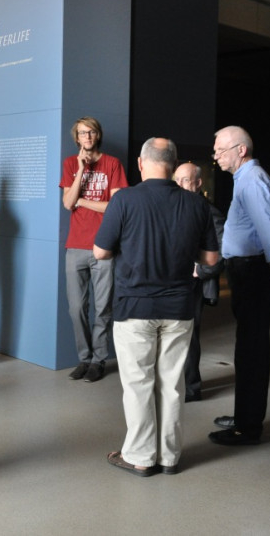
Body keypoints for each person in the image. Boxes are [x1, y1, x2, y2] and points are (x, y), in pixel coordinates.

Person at [94, 138, 218, 476]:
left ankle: (141, 457)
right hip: (179, 307)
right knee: (172, 385)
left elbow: (100, 252)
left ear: (140, 163)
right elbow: (210, 258)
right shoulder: (197, 204)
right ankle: (169, 457)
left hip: (134, 307)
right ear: (174, 164)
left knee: (138, 384)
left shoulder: (124, 200)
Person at [208, 126, 270, 446]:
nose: (216, 156)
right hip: (247, 270)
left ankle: (248, 427)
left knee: (252, 350)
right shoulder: (245, 179)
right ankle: (244, 415)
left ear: (241, 150)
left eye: (221, 150)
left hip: (252, 272)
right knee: (247, 347)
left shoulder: (253, 181)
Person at [60, 116, 129, 382]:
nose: (87, 137)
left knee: (102, 308)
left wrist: (82, 200)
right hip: (75, 246)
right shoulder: (70, 163)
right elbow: (68, 203)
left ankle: (98, 360)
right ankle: (84, 358)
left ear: (97, 135)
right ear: (76, 137)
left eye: (91, 132)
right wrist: (80, 170)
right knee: (76, 308)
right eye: (82, 133)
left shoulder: (112, 163)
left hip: (104, 246)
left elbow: (115, 206)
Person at [173, 162, 225, 402]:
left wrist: (200, 270)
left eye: (186, 180)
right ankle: (176, 385)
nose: (181, 185)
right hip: (174, 280)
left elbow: (223, 249)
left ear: (198, 183)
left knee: (189, 336)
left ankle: (191, 388)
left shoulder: (209, 211)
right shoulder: (176, 207)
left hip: (193, 283)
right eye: (177, 180)